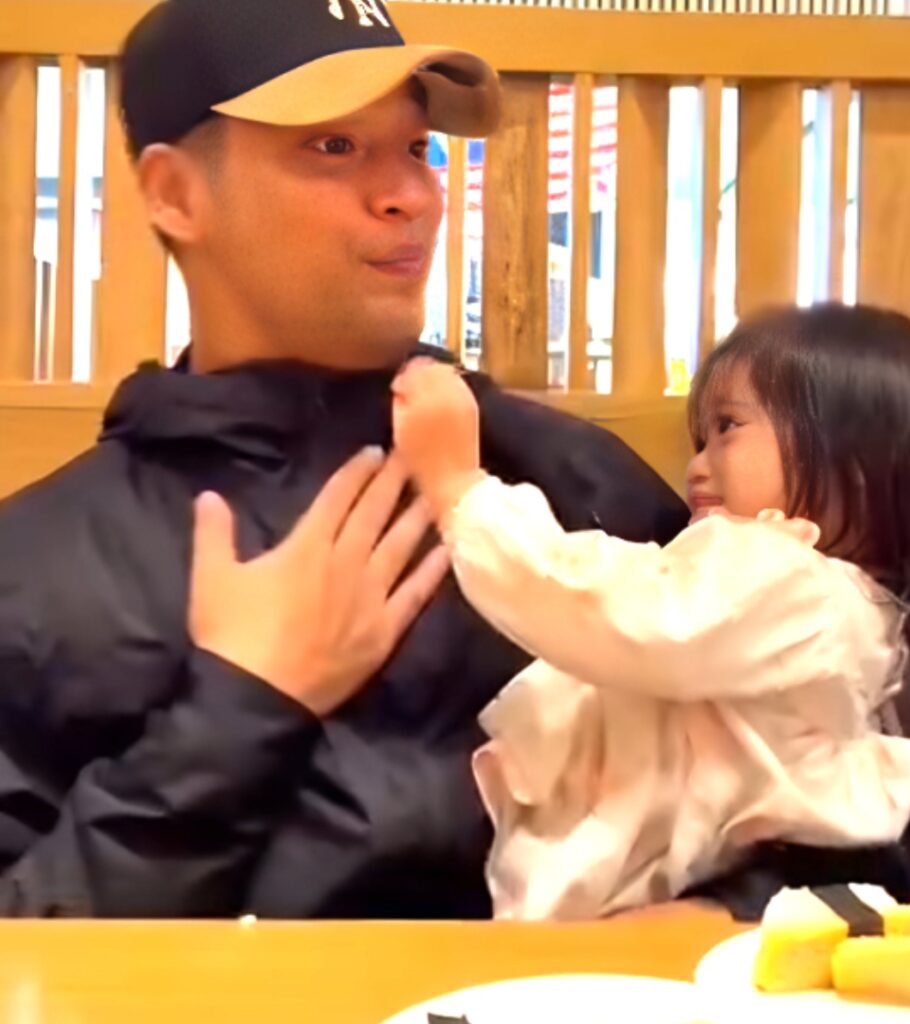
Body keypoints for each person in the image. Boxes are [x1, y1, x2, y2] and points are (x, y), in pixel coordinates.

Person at [0, 0, 687, 917]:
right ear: (175, 194)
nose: (411, 196)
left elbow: (822, 787)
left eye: (417, 149)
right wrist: (240, 706)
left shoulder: (573, 483)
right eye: (334, 147)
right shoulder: (35, 567)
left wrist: (726, 916)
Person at [391, 303, 910, 920]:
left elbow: (615, 606)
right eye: (699, 441)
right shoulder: (792, 593)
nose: (697, 465)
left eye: (728, 428)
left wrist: (459, 488)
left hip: (729, 902)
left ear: (859, 463)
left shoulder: (801, 587)